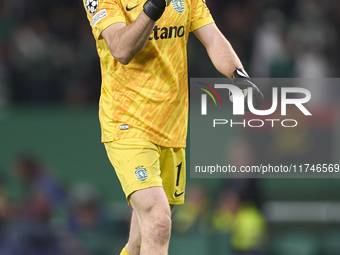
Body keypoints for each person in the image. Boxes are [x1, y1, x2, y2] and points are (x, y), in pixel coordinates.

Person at [83, 0, 264, 254]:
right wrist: (154, 8)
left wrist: (239, 75)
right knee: (158, 221)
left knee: (139, 241)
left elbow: (212, 37)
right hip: (127, 122)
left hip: (172, 127)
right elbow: (121, 49)